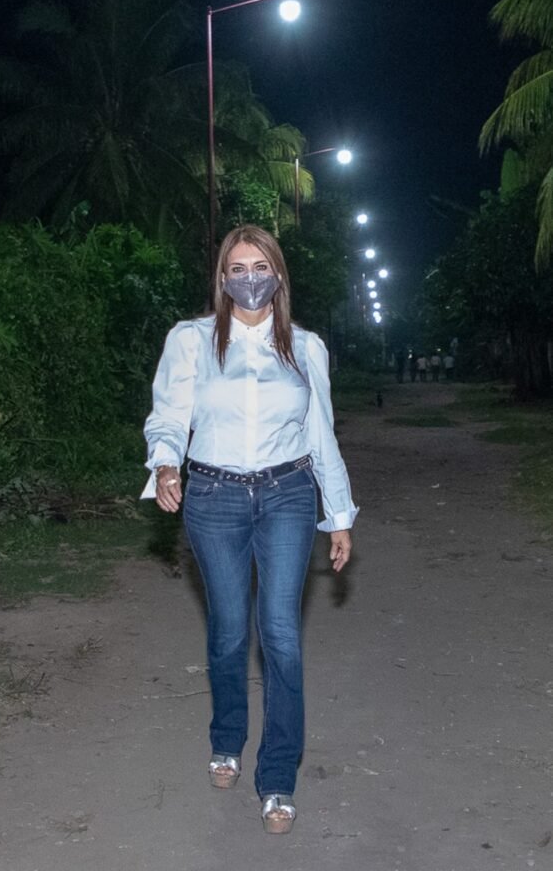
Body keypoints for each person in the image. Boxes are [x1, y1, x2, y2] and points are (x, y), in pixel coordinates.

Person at [142, 224, 358, 835]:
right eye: (237, 268)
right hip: (214, 496)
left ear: (278, 275)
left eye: (260, 266)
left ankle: (278, 776)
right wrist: (165, 464)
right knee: (230, 630)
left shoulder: (305, 348)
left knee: (281, 633)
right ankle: (227, 737)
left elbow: (320, 434)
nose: (249, 278)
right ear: (222, 278)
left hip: (288, 493)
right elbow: (169, 415)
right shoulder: (191, 340)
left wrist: (339, 515)